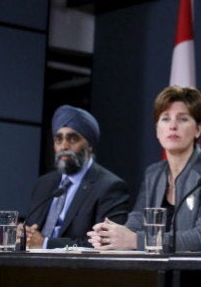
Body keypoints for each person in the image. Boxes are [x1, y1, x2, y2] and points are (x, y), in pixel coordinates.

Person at [87, 86, 201, 252]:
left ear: (198, 129)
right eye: (165, 119)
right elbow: (136, 222)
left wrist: (135, 241)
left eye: (182, 119)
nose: (172, 126)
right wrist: (110, 236)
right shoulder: (154, 174)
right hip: (162, 269)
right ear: (157, 129)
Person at [24, 105, 131, 249]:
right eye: (58, 140)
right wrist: (23, 234)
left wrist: (45, 244)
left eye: (72, 139)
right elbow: (32, 232)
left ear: (90, 145)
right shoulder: (43, 184)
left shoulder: (110, 187)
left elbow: (104, 244)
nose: (64, 146)